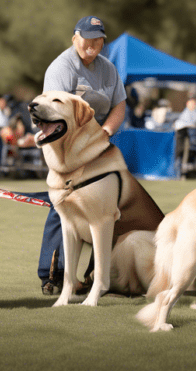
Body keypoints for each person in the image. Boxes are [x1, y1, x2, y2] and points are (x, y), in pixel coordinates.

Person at [37, 15, 126, 294]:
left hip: (98, 144)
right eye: (88, 37)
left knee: (107, 207)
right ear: (75, 37)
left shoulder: (108, 69)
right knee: (64, 203)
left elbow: (119, 105)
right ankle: (53, 274)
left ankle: (94, 275)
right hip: (67, 145)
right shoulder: (61, 68)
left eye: (99, 38)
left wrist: (106, 133)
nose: (93, 44)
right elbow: (52, 113)